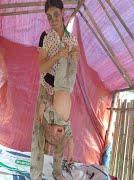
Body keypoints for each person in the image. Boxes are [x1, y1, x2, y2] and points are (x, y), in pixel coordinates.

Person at [30, 0, 79, 179]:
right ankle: (35, 174)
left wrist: (75, 55)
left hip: (61, 93)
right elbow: (42, 68)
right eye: (49, 17)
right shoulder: (45, 36)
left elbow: (74, 64)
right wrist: (58, 54)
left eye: (56, 14)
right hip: (46, 88)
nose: (53, 19)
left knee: (61, 131)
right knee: (39, 131)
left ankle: (57, 172)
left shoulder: (71, 39)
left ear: (62, 12)